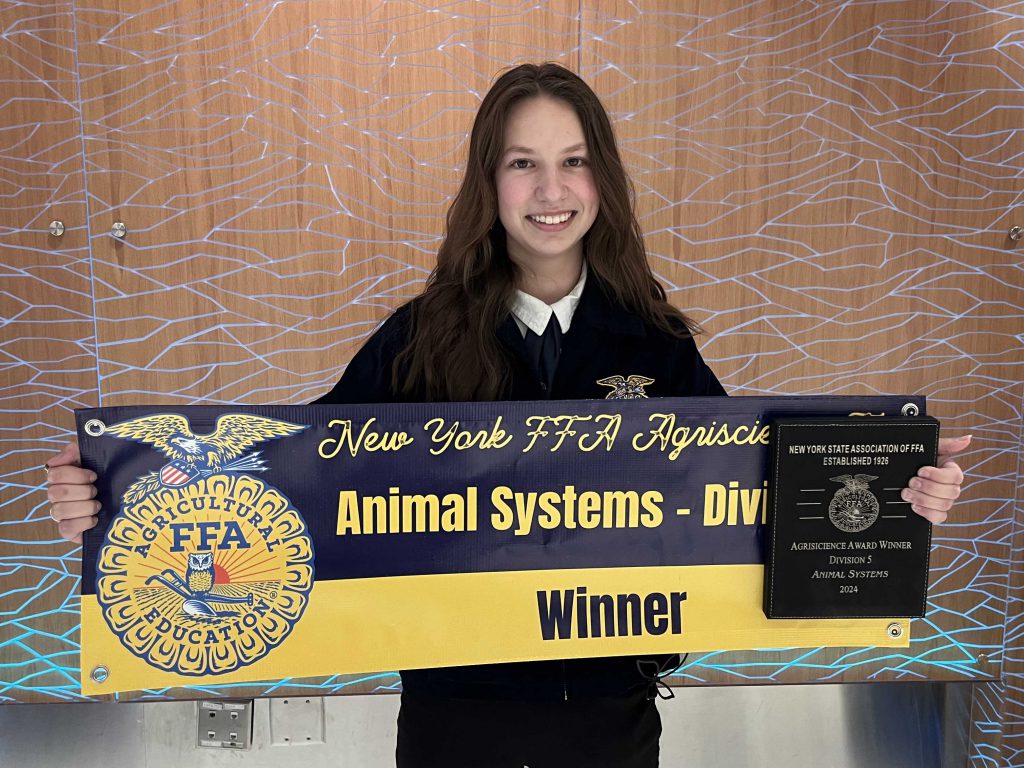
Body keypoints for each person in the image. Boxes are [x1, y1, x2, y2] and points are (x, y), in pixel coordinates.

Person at [45, 63, 970, 767]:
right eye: (523, 164)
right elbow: (294, 482)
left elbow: (745, 498)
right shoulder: (417, 339)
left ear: (600, 180)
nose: (550, 190)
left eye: (572, 163)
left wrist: (895, 494)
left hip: (610, 721)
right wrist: (115, 498)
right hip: (456, 724)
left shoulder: (655, 344)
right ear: (491, 181)